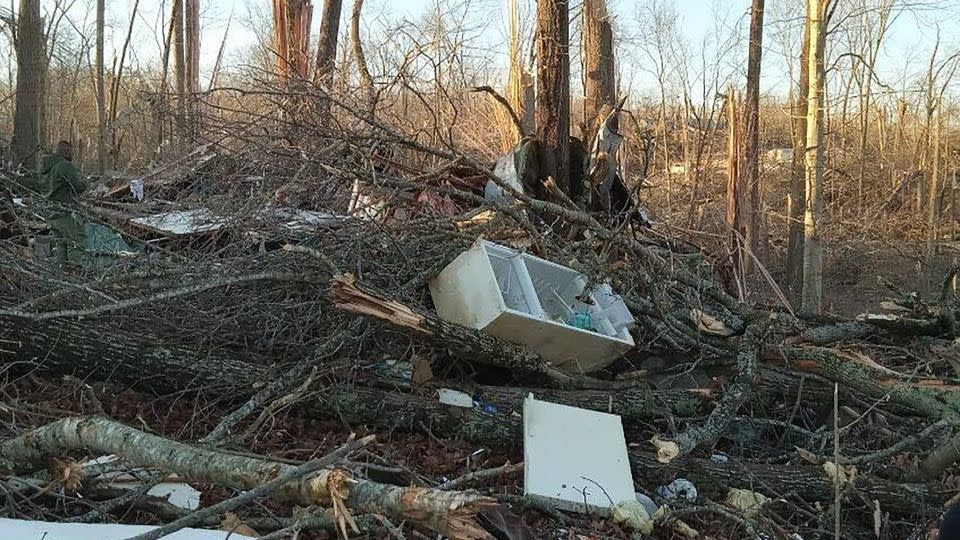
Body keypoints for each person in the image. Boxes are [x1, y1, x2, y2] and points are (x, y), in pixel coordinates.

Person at [40, 141, 88, 264]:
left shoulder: (46, 167)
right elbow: (77, 186)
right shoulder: (64, 165)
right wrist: (86, 183)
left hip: (50, 211)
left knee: (61, 243)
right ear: (66, 151)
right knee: (76, 240)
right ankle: (76, 274)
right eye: (72, 152)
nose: (73, 154)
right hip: (64, 212)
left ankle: (63, 274)